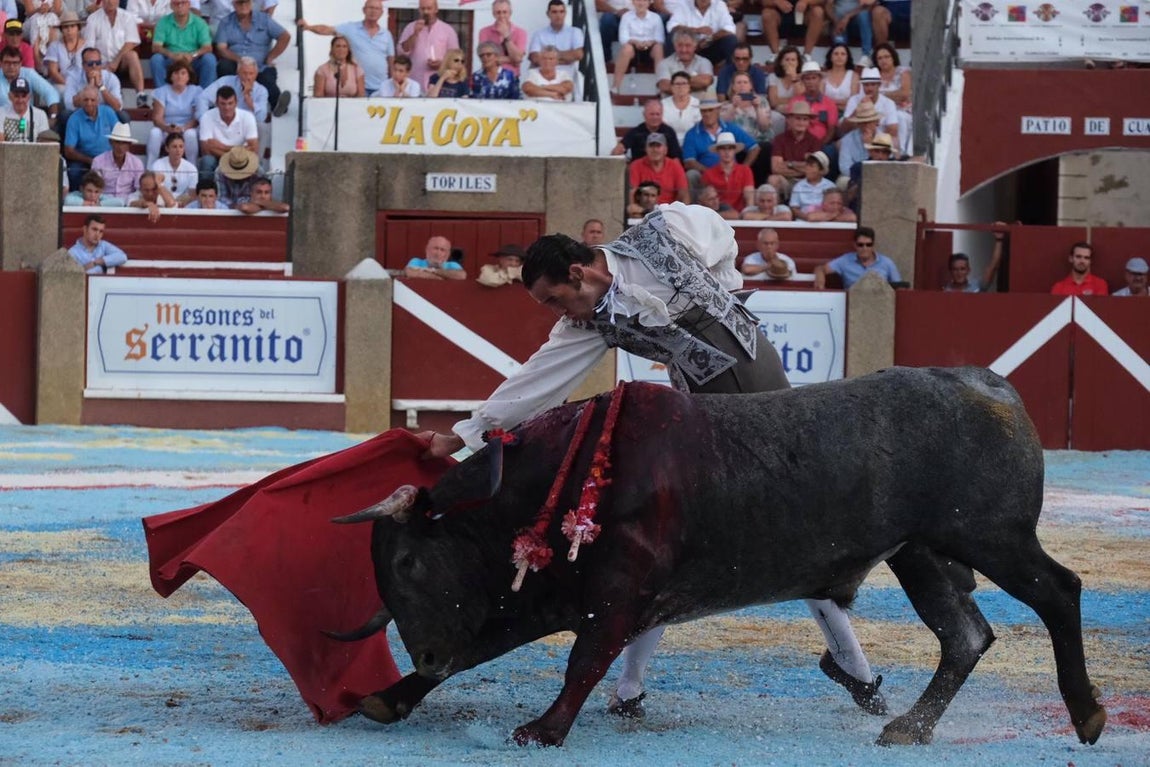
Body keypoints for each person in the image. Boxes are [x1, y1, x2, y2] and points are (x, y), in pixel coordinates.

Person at [418, 202, 886, 722]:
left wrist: (722, 288)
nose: (559, 313)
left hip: (759, 388)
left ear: (579, 272)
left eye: (556, 299)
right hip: (703, 411)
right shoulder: (588, 322)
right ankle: (634, 684)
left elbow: (720, 232)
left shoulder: (665, 232)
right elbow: (536, 380)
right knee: (676, 539)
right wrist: (462, 436)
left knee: (796, 527)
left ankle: (848, 664)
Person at [297, 0, 393, 95]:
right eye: (371, 7)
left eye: (377, 8)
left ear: (381, 12)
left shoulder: (386, 34)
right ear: (364, 10)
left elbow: (391, 60)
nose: (373, 11)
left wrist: (392, 84)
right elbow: (327, 30)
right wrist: (308, 27)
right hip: (359, 86)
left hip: (382, 88)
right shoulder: (350, 28)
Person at [214, 0, 291, 117]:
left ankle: (277, 106)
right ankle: (226, 101)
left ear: (251, 3)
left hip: (259, 65)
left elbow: (285, 36)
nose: (243, 5)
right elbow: (221, 48)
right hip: (237, 65)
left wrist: (271, 56)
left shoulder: (264, 19)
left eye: (246, 2)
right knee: (224, 66)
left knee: (267, 79)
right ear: (233, 4)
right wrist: (239, 60)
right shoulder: (226, 22)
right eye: (240, 3)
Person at [681, 98, 758, 189]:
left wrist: (743, 169)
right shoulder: (692, 134)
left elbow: (754, 147)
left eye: (710, 110)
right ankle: (694, 203)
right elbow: (689, 161)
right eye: (704, 111)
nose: (707, 114)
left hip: (732, 173)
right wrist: (711, 173)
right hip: (705, 175)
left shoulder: (731, 128)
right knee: (691, 175)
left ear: (718, 110)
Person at [83, 0, 148, 105]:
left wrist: (115, 61)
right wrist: (100, 66)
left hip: (121, 62)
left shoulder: (127, 17)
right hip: (101, 64)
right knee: (92, 61)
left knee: (132, 55)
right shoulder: (93, 19)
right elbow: (90, 47)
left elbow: (131, 42)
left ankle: (141, 95)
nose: (110, 2)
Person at [62, 84, 119, 190]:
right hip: (85, 160)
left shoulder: (108, 112)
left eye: (92, 100)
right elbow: (68, 151)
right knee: (74, 172)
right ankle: (77, 199)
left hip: (109, 158)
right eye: (86, 100)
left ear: (98, 101)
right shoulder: (74, 119)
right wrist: (91, 160)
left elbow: (119, 138)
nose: (89, 103)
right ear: (81, 101)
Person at [150, 0, 215, 91]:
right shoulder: (163, 22)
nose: (180, 6)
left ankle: (205, 96)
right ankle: (162, 95)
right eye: (176, 3)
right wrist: (172, 55)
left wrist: (193, 55)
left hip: (193, 59)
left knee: (209, 59)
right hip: (171, 59)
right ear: (171, 6)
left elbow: (207, 47)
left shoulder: (200, 23)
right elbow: (156, 47)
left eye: (183, 3)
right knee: (156, 59)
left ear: (189, 5)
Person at [197, 84, 258, 177]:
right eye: (223, 103)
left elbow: (253, 148)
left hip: (241, 159)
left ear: (236, 103)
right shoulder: (207, 116)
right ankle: (206, 190)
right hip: (218, 158)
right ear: (216, 103)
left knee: (259, 169)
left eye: (230, 103)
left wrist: (223, 147)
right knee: (207, 161)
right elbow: (206, 149)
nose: (227, 107)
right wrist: (237, 151)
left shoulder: (247, 117)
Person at [147, 59, 201, 165]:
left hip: (188, 128)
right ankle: (150, 168)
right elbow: (157, 118)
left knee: (190, 135)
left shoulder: (196, 91)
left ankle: (193, 168)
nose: (179, 76)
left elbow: (196, 118)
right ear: (170, 76)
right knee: (154, 133)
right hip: (167, 127)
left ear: (188, 77)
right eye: (176, 73)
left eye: (183, 73)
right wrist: (167, 128)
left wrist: (183, 128)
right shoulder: (162, 91)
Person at [814, 225, 900, 289]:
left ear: (873, 245)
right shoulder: (845, 260)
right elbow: (820, 268)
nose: (864, 248)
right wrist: (820, 278)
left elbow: (899, 287)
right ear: (855, 245)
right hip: (853, 304)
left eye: (868, 245)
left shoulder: (887, 263)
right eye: (860, 245)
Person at [398, 0, 459, 89]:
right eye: (423, 9)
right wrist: (415, 33)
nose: (426, 12)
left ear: (436, 9)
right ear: (419, 10)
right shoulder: (410, 27)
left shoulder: (448, 30)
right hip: (414, 83)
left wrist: (442, 64)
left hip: (440, 85)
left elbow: (456, 58)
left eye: (429, 8)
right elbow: (402, 53)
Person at [767, 100, 821, 199]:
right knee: (773, 179)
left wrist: (790, 164)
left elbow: (814, 170)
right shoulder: (779, 139)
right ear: (789, 120)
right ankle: (777, 210)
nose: (801, 122)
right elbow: (776, 168)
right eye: (798, 118)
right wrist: (803, 166)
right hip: (786, 180)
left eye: (805, 119)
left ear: (809, 122)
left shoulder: (814, 141)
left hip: (806, 181)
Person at [610, 0, 663, 95]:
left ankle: (661, 87)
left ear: (649, 2)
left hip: (650, 48)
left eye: (644, 0)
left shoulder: (656, 18)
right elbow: (623, 38)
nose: (641, 3)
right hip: (633, 48)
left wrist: (649, 42)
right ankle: (615, 86)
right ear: (633, 2)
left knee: (658, 48)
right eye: (638, 0)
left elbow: (660, 38)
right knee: (626, 48)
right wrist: (635, 42)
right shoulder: (626, 17)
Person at [667, 0, 738, 67]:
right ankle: (674, 70)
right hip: (688, 48)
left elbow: (730, 28)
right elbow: (672, 26)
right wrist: (696, 30)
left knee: (731, 40)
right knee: (673, 36)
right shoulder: (684, 4)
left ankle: (732, 74)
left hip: (710, 47)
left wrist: (709, 39)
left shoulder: (719, 5)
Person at [1, 44, 60, 124]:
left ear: (20, 63)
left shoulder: (29, 74)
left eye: (15, 63)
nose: (11, 67)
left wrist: (53, 117)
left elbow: (50, 92)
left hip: (27, 121)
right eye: (7, 63)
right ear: (1, 63)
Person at [198, 55, 268, 120]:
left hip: (246, 126)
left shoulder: (261, 91)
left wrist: (248, 98)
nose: (248, 77)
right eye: (244, 73)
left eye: (251, 73)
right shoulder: (225, 81)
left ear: (256, 74)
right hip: (223, 123)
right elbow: (203, 97)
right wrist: (204, 120)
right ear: (238, 72)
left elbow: (261, 117)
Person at [842, 67, 898, 148]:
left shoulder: (889, 103)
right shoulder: (854, 100)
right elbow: (844, 128)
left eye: (873, 84)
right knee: (841, 143)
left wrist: (874, 138)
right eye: (866, 85)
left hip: (881, 142)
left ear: (879, 85)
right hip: (857, 140)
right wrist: (859, 107)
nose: (869, 88)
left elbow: (893, 130)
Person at [628, 131, 689, 204]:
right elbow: (632, 192)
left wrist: (684, 211)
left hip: (669, 210)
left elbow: (684, 193)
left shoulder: (675, 165)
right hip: (645, 210)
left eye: (658, 146)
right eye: (651, 146)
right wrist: (634, 208)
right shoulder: (636, 165)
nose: (655, 150)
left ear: (665, 150)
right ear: (646, 149)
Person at [64, 45, 124, 119]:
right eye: (90, 63)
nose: (94, 66)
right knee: (65, 115)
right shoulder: (73, 77)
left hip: (104, 114)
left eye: (98, 63)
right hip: (81, 114)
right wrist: (90, 86)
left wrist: (101, 86)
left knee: (123, 116)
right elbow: (69, 104)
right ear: (83, 65)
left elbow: (118, 107)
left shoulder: (111, 78)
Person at [700, 130, 754, 212]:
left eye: (730, 148)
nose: (727, 152)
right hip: (717, 214)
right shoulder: (708, 174)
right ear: (718, 151)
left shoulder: (745, 170)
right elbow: (705, 200)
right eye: (723, 148)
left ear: (734, 150)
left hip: (740, 216)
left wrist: (748, 216)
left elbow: (749, 198)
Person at [614, 97, 683, 160]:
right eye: (652, 114)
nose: (655, 117)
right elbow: (619, 149)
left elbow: (676, 158)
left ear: (662, 115)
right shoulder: (635, 132)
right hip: (640, 170)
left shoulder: (669, 132)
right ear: (644, 115)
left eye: (657, 114)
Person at [873, 41, 911, 154]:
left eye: (886, 56)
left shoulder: (903, 72)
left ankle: (900, 152)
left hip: (902, 110)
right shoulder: (875, 75)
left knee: (899, 117)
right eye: (879, 58)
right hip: (881, 111)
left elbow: (904, 94)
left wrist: (882, 96)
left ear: (893, 57)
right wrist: (894, 95)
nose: (883, 60)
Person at [788, 60, 837, 143]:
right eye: (807, 79)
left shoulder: (830, 103)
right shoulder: (795, 101)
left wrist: (820, 146)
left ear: (820, 79)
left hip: (822, 144)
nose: (811, 82)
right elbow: (790, 127)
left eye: (814, 78)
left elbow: (831, 130)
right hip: (798, 143)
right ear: (802, 81)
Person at [91, 120, 144, 198]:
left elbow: (139, 189)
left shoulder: (136, 163)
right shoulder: (98, 161)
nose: (120, 147)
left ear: (129, 144)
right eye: (117, 142)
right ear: (111, 142)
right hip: (104, 202)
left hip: (128, 203)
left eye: (124, 143)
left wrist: (129, 201)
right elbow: (95, 187)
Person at [942, 227, 1004, 293]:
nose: (959, 273)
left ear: (968, 270)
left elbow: (993, 266)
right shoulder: (945, 291)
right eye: (955, 269)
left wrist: (999, 239)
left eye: (962, 269)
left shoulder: (977, 286)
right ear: (950, 271)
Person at [527, 0, 583, 73]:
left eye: (561, 11)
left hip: (567, 77)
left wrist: (548, 57)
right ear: (548, 14)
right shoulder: (539, 34)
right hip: (542, 78)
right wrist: (565, 59)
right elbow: (534, 58)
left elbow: (578, 55)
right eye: (554, 12)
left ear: (565, 13)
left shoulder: (575, 32)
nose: (558, 15)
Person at [834, 97, 878, 187]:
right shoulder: (848, 140)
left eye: (869, 122)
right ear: (858, 124)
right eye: (863, 122)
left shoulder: (883, 138)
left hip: (878, 174)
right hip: (854, 176)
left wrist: (870, 146)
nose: (866, 126)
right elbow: (844, 166)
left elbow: (886, 163)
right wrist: (860, 176)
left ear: (876, 122)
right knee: (842, 182)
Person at [654, 31, 713, 98]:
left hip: (699, 106)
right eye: (680, 45)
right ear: (674, 46)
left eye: (688, 46)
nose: (683, 50)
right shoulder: (664, 63)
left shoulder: (704, 62)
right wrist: (695, 84)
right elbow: (665, 86)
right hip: (671, 107)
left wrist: (675, 83)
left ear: (695, 46)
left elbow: (705, 81)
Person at [761, 0, 826, 59]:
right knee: (767, 14)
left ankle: (807, 55)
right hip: (779, 17)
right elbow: (763, 2)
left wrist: (805, 1)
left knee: (818, 12)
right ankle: (776, 55)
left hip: (804, 17)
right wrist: (777, 2)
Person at [44, 11, 87, 95]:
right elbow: (53, 72)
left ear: (78, 28)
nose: (69, 30)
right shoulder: (54, 46)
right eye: (65, 27)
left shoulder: (87, 46)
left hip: (83, 84)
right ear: (61, 30)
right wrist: (69, 85)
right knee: (61, 91)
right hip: (61, 84)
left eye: (72, 26)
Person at [478, 0, 527, 71]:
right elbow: (485, 58)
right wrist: (511, 59)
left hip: (512, 76)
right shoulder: (484, 32)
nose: (501, 15)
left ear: (510, 13)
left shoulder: (520, 32)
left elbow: (518, 59)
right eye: (498, 12)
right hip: (489, 74)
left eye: (505, 12)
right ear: (493, 14)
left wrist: (506, 36)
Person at [150, 130, 197, 202]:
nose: (178, 150)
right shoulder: (157, 165)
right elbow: (157, 190)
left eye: (181, 147)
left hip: (184, 204)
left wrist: (179, 201)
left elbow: (192, 194)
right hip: (162, 201)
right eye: (174, 147)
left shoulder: (191, 168)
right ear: (167, 148)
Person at [787, 150, 836, 218]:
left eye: (812, 166)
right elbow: (794, 208)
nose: (807, 168)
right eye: (807, 165)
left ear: (821, 171)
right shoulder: (798, 186)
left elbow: (835, 208)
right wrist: (807, 217)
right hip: (802, 223)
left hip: (825, 222)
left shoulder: (831, 186)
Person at [765, 45, 801, 135]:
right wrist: (792, 100)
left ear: (798, 62)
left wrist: (793, 78)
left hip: (796, 111)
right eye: (787, 60)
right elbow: (773, 101)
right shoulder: (773, 77)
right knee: (777, 118)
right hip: (778, 111)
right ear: (781, 62)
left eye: (793, 60)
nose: (790, 63)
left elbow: (801, 99)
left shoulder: (802, 78)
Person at [659, 71, 700, 147]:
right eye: (677, 84)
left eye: (684, 83)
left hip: (692, 143)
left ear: (689, 86)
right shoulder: (662, 104)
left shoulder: (698, 104)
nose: (680, 87)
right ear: (671, 87)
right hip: (669, 143)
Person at [0, 76, 48, 141]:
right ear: (10, 96)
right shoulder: (1, 112)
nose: (20, 100)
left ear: (29, 97)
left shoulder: (40, 114)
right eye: (16, 96)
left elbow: (44, 142)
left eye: (23, 96)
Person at [822, 42, 858, 117]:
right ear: (831, 57)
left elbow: (853, 100)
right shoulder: (823, 76)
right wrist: (841, 103)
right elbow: (821, 100)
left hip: (847, 114)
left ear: (847, 57)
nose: (839, 56)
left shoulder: (853, 76)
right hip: (826, 113)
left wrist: (831, 102)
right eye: (836, 54)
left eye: (843, 54)